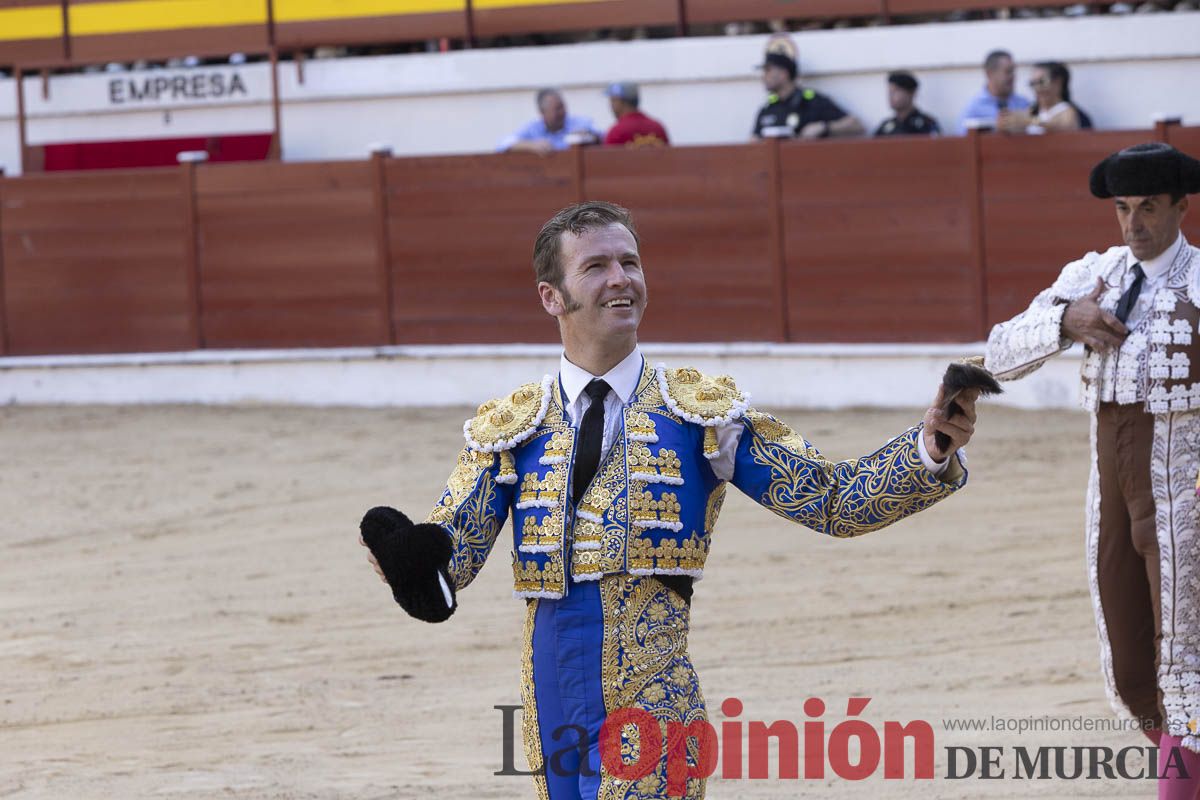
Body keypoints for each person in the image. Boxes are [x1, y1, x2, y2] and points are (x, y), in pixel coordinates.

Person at [358, 201, 981, 799]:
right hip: (548, 699)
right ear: (552, 296)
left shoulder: (703, 414)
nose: (621, 279)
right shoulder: (511, 427)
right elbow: (450, 560)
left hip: (653, 693)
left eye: (629, 262)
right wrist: (404, 559)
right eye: (596, 266)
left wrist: (930, 449)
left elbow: (832, 500)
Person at [984, 142, 1200, 800]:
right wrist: (1064, 321)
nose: (1134, 224)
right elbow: (1000, 353)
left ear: (1181, 208)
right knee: (1131, 673)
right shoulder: (1092, 275)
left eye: (1149, 208)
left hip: (1186, 495)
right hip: (1110, 493)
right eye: (1123, 209)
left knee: (1185, 667)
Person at [752, 34, 864, 140]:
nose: (763, 76)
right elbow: (754, 140)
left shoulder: (813, 102)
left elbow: (856, 125)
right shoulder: (768, 108)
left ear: (784, 73)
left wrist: (824, 127)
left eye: (768, 70)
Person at [498, 88, 602, 154]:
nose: (562, 112)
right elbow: (502, 144)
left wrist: (589, 135)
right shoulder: (533, 128)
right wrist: (531, 145)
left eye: (562, 107)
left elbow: (601, 135)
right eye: (556, 109)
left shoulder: (579, 123)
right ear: (542, 112)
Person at [956, 49, 1032, 134]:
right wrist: (995, 129)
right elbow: (962, 137)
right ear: (989, 73)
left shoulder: (1023, 103)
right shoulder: (974, 109)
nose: (1013, 77)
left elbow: (1037, 130)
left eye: (1013, 71)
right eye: (1008, 71)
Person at [874, 71, 941, 137]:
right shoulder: (885, 127)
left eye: (896, 91)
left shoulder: (926, 124)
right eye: (890, 92)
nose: (891, 96)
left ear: (911, 93)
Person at [603, 82, 670, 148]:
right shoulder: (658, 128)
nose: (611, 105)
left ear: (620, 102)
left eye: (612, 100)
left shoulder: (616, 132)